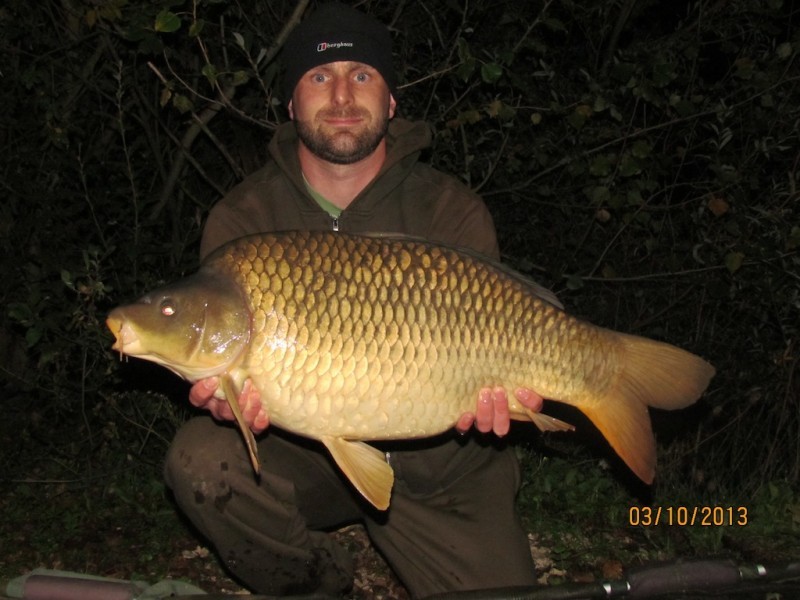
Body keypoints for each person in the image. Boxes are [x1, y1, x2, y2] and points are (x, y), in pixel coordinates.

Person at [164, 3, 544, 597]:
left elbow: (496, 339)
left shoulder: (452, 211)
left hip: (440, 469)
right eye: (319, 77)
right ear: (291, 104)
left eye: (361, 76)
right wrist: (228, 400)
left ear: (391, 101)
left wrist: (499, 400)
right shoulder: (242, 220)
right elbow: (220, 350)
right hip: (301, 455)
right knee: (202, 461)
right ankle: (320, 581)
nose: (341, 96)